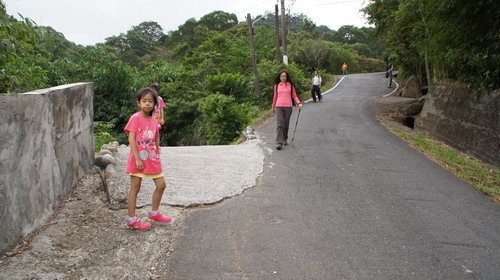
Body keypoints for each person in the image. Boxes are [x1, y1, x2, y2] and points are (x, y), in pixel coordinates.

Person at [124, 87, 172, 231]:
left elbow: (156, 135)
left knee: (161, 185)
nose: (147, 104)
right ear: (138, 102)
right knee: (135, 188)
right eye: (144, 101)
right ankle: (131, 219)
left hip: (152, 159)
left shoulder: (154, 120)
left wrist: (157, 148)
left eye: (150, 101)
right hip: (138, 160)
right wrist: (137, 158)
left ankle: (154, 213)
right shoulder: (135, 118)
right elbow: (131, 138)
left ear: (155, 104)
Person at [272, 70, 303, 150]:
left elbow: (294, 96)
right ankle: (279, 142)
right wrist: (273, 106)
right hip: (279, 106)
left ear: (287, 77)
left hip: (288, 107)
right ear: (279, 77)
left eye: (285, 76)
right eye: (281, 76)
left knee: (286, 124)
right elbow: (275, 97)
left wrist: (299, 103)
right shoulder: (277, 86)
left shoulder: (290, 85)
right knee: (280, 123)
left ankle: (285, 138)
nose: (283, 77)